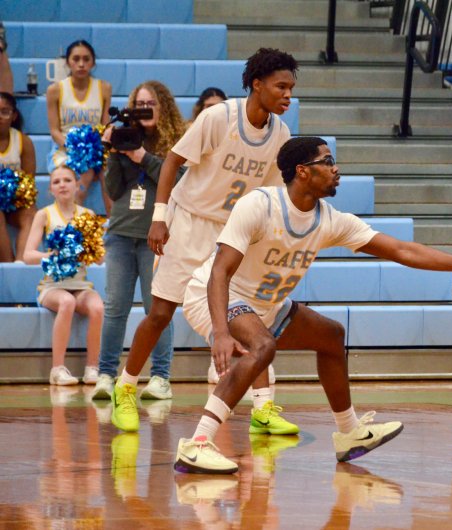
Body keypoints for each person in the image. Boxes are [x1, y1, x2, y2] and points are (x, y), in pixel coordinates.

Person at [173, 136, 452, 473]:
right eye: (327, 162)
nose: (336, 168)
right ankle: (198, 443)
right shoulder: (259, 205)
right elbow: (219, 271)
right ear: (302, 171)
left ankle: (350, 433)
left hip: (264, 305)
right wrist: (222, 332)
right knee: (263, 345)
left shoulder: (329, 220)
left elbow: (403, 250)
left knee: (330, 335)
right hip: (213, 295)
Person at [109, 48, 298, 435]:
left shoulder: (281, 134)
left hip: (231, 231)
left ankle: (263, 406)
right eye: (281, 86)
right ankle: (125, 387)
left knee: (248, 318)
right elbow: (174, 163)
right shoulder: (218, 117)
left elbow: (272, 196)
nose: (287, 95)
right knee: (161, 314)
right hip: (191, 221)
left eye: (291, 88)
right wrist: (159, 219)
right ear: (257, 84)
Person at [91, 81, 186, 402]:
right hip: (119, 234)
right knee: (115, 307)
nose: (144, 109)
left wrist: (143, 156)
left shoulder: (174, 142)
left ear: (163, 108)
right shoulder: (122, 138)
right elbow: (115, 190)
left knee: (156, 308)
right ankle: (106, 374)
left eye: (151, 104)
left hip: (156, 238)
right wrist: (113, 153)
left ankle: (160, 377)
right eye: (139, 104)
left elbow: (177, 183)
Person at [23, 166, 104, 385]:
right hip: (51, 287)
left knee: (97, 307)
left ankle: (92, 368)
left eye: (67, 180)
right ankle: (57, 369)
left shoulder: (87, 216)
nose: (62, 184)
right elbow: (28, 255)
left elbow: (100, 258)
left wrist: (86, 251)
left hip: (81, 285)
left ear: (77, 185)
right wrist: (53, 255)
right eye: (56, 182)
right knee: (66, 302)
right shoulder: (44, 214)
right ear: (51, 189)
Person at [45, 40, 112, 206]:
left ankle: (114, 227)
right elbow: (54, 131)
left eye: (86, 59)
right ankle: (73, 226)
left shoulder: (104, 88)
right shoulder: (55, 90)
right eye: (76, 59)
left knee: (112, 181)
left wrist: (97, 148)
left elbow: (106, 125)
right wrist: (77, 149)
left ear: (93, 62)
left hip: (95, 150)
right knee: (81, 177)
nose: (81, 64)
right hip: (65, 148)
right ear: (68, 62)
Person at [0, 92, 36, 262]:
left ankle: (21, 263)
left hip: (15, 201)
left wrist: (17, 196)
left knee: (31, 214)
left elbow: (29, 181)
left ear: (14, 115)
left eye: (4, 111)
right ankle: (8, 264)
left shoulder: (23, 141)